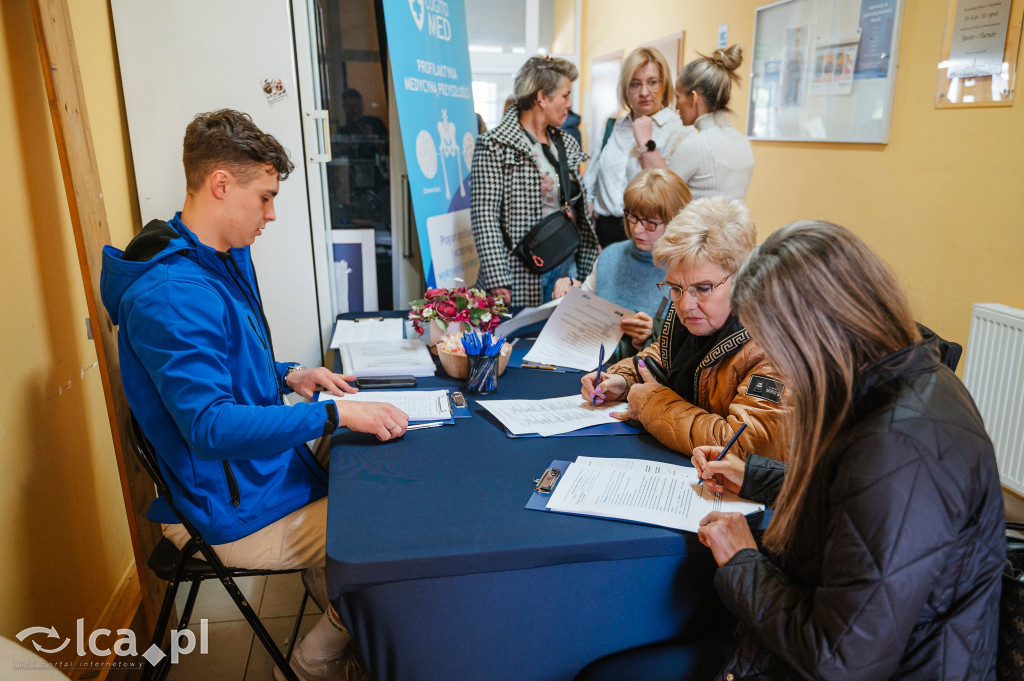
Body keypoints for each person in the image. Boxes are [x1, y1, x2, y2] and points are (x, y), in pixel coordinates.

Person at [579, 222, 1006, 681]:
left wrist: (743, 561)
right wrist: (755, 476)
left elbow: (840, 663)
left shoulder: (901, 448)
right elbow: (852, 495)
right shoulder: (902, 378)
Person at [100, 109, 409, 681]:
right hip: (230, 506)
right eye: (264, 197)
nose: (272, 214)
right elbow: (212, 427)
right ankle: (315, 660)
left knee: (386, 456)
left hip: (254, 474)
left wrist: (289, 374)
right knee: (393, 521)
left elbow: (224, 369)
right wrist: (333, 412)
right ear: (221, 184)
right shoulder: (173, 293)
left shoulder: (208, 258)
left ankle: (339, 614)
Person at [581, 196, 784, 457]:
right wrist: (621, 380)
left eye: (703, 288)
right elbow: (660, 358)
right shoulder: (695, 317)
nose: (686, 304)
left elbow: (744, 446)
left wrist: (652, 404)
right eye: (675, 288)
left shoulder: (774, 347)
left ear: (742, 280)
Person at [471, 56, 599, 306]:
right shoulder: (494, 145)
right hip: (518, 270)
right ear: (542, 98)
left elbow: (576, 207)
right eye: (565, 95)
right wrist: (498, 278)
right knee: (519, 339)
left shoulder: (566, 143)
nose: (570, 104)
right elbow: (484, 215)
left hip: (566, 266)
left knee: (561, 339)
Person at [553, 168, 691, 361]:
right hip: (591, 366)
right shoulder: (611, 256)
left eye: (650, 223)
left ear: (675, 222)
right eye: (632, 216)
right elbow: (582, 314)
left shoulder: (688, 269)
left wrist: (655, 333)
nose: (637, 229)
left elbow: (692, 346)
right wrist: (571, 292)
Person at [584, 47, 690, 248]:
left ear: (664, 85)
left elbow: (669, 193)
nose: (644, 92)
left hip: (647, 235)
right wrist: (589, 232)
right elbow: (592, 179)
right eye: (635, 84)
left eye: (652, 82)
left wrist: (645, 142)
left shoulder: (678, 129)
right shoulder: (614, 127)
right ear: (625, 89)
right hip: (603, 234)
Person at [648, 45, 754, 201]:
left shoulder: (695, 145)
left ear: (693, 97)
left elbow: (660, 199)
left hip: (699, 225)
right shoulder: (743, 142)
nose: (676, 106)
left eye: (678, 97)